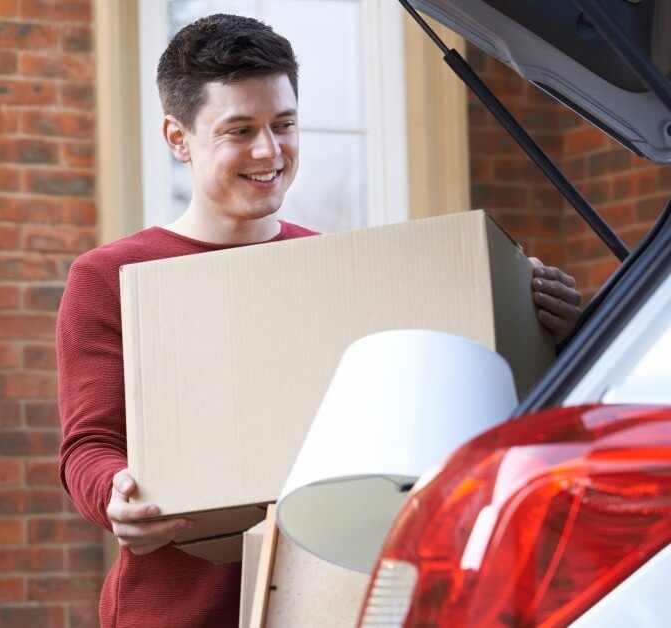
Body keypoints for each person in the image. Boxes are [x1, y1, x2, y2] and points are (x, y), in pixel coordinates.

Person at [55, 13, 585, 627]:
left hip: (327, 597)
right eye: (240, 130)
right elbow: (89, 446)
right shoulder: (109, 276)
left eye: (284, 124)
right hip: (181, 606)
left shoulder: (332, 268)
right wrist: (116, 493)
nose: (269, 151)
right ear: (178, 138)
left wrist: (555, 331)